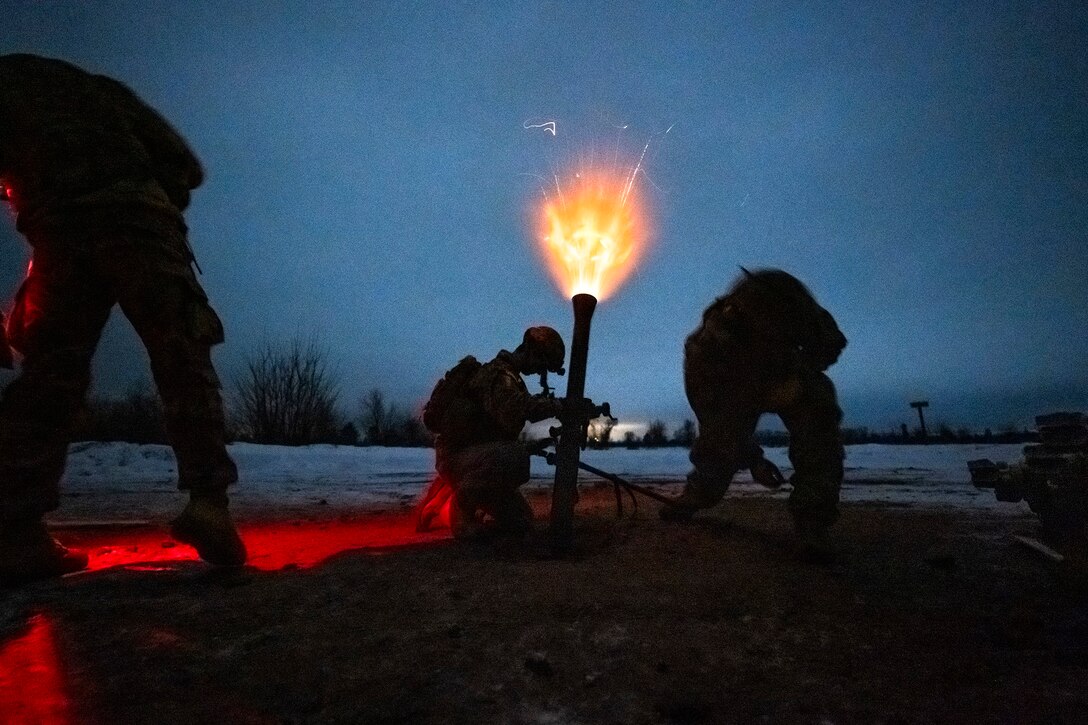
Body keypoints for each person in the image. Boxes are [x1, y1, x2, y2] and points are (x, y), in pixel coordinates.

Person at [0, 53, 245, 582]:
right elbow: (187, 165)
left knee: (49, 375)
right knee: (181, 351)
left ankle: (15, 530)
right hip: (140, 225)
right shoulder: (102, 91)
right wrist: (157, 195)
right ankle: (209, 504)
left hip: (61, 233)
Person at [660, 268, 847, 560]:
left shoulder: (788, 297)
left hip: (788, 376)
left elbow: (831, 342)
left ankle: (813, 521)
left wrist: (801, 369)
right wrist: (753, 459)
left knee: (819, 417)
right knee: (718, 446)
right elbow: (716, 423)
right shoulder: (704, 352)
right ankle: (700, 492)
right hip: (734, 389)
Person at [417, 327, 565, 540]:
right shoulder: (498, 374)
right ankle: (461, 510)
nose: (541, 371)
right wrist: (558, 406)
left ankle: (456, 495)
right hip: (458, 457)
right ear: (529, 350)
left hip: (475, 457)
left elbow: (498, 429)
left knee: (521, 523)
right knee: (515, 458)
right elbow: (517, 408)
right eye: (542, 363)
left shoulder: (510, 378)